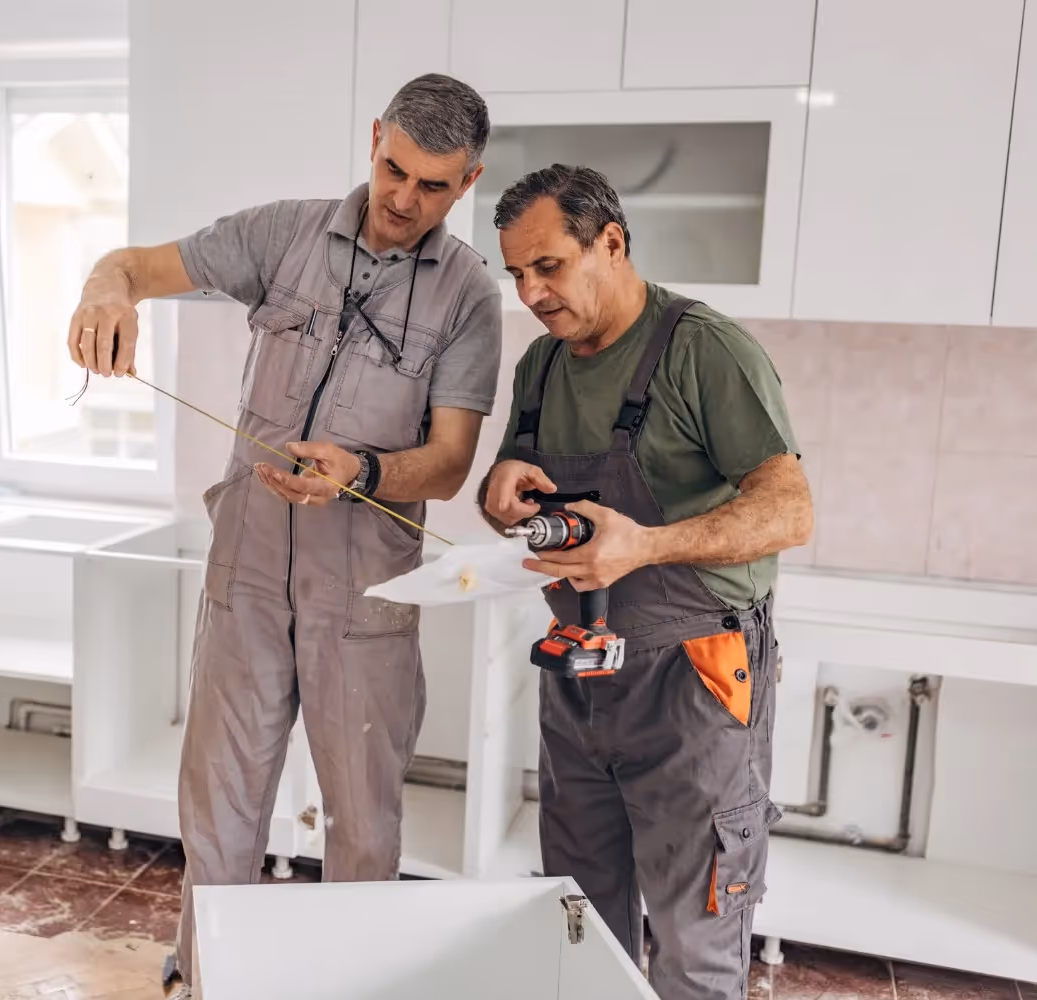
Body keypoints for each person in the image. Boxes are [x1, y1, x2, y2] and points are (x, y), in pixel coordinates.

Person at [67, 74, 503, 998]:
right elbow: (133, 266)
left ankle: (354, 982)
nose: (403, 199)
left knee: (364, 822)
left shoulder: (470, 296)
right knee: (220, 807)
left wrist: (365, 471)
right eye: (394, 169)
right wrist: (105, 293)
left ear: (468, 183)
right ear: (375, 137)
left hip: (365, 604)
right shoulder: (284, 234)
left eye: (432, 185)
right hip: (248, 583)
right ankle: (210, 973)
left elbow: (453, 459)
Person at [478, 165, 813, 1000]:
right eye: (516, 273)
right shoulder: (542, 367)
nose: (530, 293)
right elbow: (524, 487)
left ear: (612, 243)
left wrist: (648, 545)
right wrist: (502, 492)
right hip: (582, 675)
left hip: (694, 679)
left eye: (548, 266)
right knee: (581, 925)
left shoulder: (704, 350)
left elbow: (789, 510)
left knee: (694, 944)